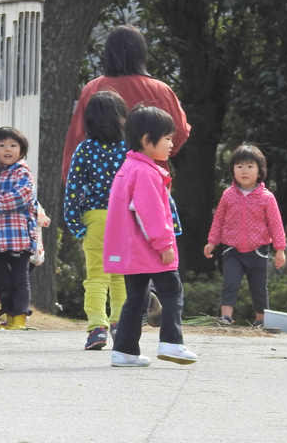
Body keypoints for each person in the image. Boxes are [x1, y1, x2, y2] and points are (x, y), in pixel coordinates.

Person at [105, 105, 198, 367]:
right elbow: (151, 214)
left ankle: (124, 351)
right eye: (167, 138)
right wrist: (164, 244)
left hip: (130, 250)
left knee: (136, 299)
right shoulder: (146, 172)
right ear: (147, 140)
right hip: (149, 248)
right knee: (172, 292)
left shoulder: (127, 168)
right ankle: (171, 342)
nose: (171, 144)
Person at [62, 25, 190, 180]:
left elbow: (77, 137)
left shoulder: (93, 89)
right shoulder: (160, 90)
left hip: (100, 184)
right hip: (150, 180)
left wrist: (73, 179)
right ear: (141, 54)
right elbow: (179, 133)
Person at [64, 90, 128, 350]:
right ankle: (120, 325)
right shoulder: (130, 148)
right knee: (121, 277)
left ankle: (96, 329)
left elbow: (73, 189)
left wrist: (76, 225)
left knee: (96, 277)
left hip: (97, 219)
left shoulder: (85, 149)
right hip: (125, 220)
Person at [203, 145, 286, 327]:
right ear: (233, 170)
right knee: (230, 283)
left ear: (260, 171)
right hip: (232, 249)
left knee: (258, 288)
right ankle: (226, 318)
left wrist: (280, 249)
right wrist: (212, 242)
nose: (245, 171)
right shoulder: (228, 195)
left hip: (259, 250)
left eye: (250, 166)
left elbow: (276, 224)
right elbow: (218, 220)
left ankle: (261, 320)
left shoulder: (267, 197)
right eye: (239, 166)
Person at [0, 126, 37, 330]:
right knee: (2, 281)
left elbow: (20, 198)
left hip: (19, 239)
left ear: (22, 151)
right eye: (1, 145)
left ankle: (20, 318)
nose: (7, 149)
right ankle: (8, 316)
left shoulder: (22, 172)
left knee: (19, 280)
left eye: (13, 145)